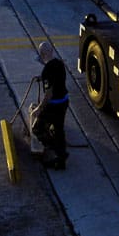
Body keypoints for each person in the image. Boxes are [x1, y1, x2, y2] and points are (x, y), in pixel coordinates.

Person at [31, 42, 69, 170]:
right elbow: (57, 80)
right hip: (64, 102)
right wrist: (42, 78)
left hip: (54, 106)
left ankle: (52, 148)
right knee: (59, 129)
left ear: (42, 55)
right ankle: (61, 157)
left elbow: (49, 94)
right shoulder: (59, 63)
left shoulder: (47, 70)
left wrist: (39, 109)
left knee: (37, 129)